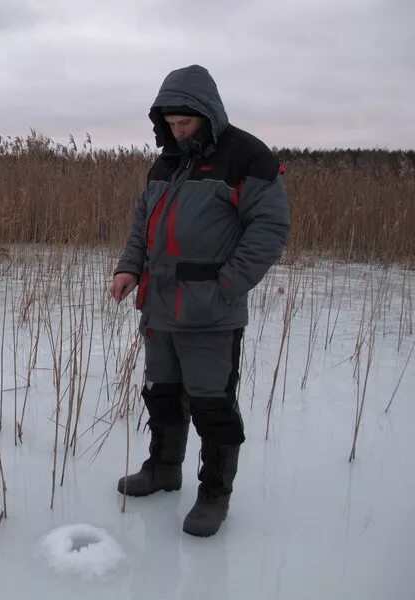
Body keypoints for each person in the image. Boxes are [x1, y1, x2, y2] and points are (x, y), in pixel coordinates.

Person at [110, 65, 290, 536]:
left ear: (206, 113)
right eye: (169, 123)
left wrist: (226, 287)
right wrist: (130, 266)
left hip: (211, 310)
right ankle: (164, 470)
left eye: (184, 122)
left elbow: (269, 230)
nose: (176, 130)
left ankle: (214, 495)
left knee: (212, 404)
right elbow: (141, 222)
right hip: (160, 306)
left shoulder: (247, 157)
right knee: (162, 393)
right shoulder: (166, 162)